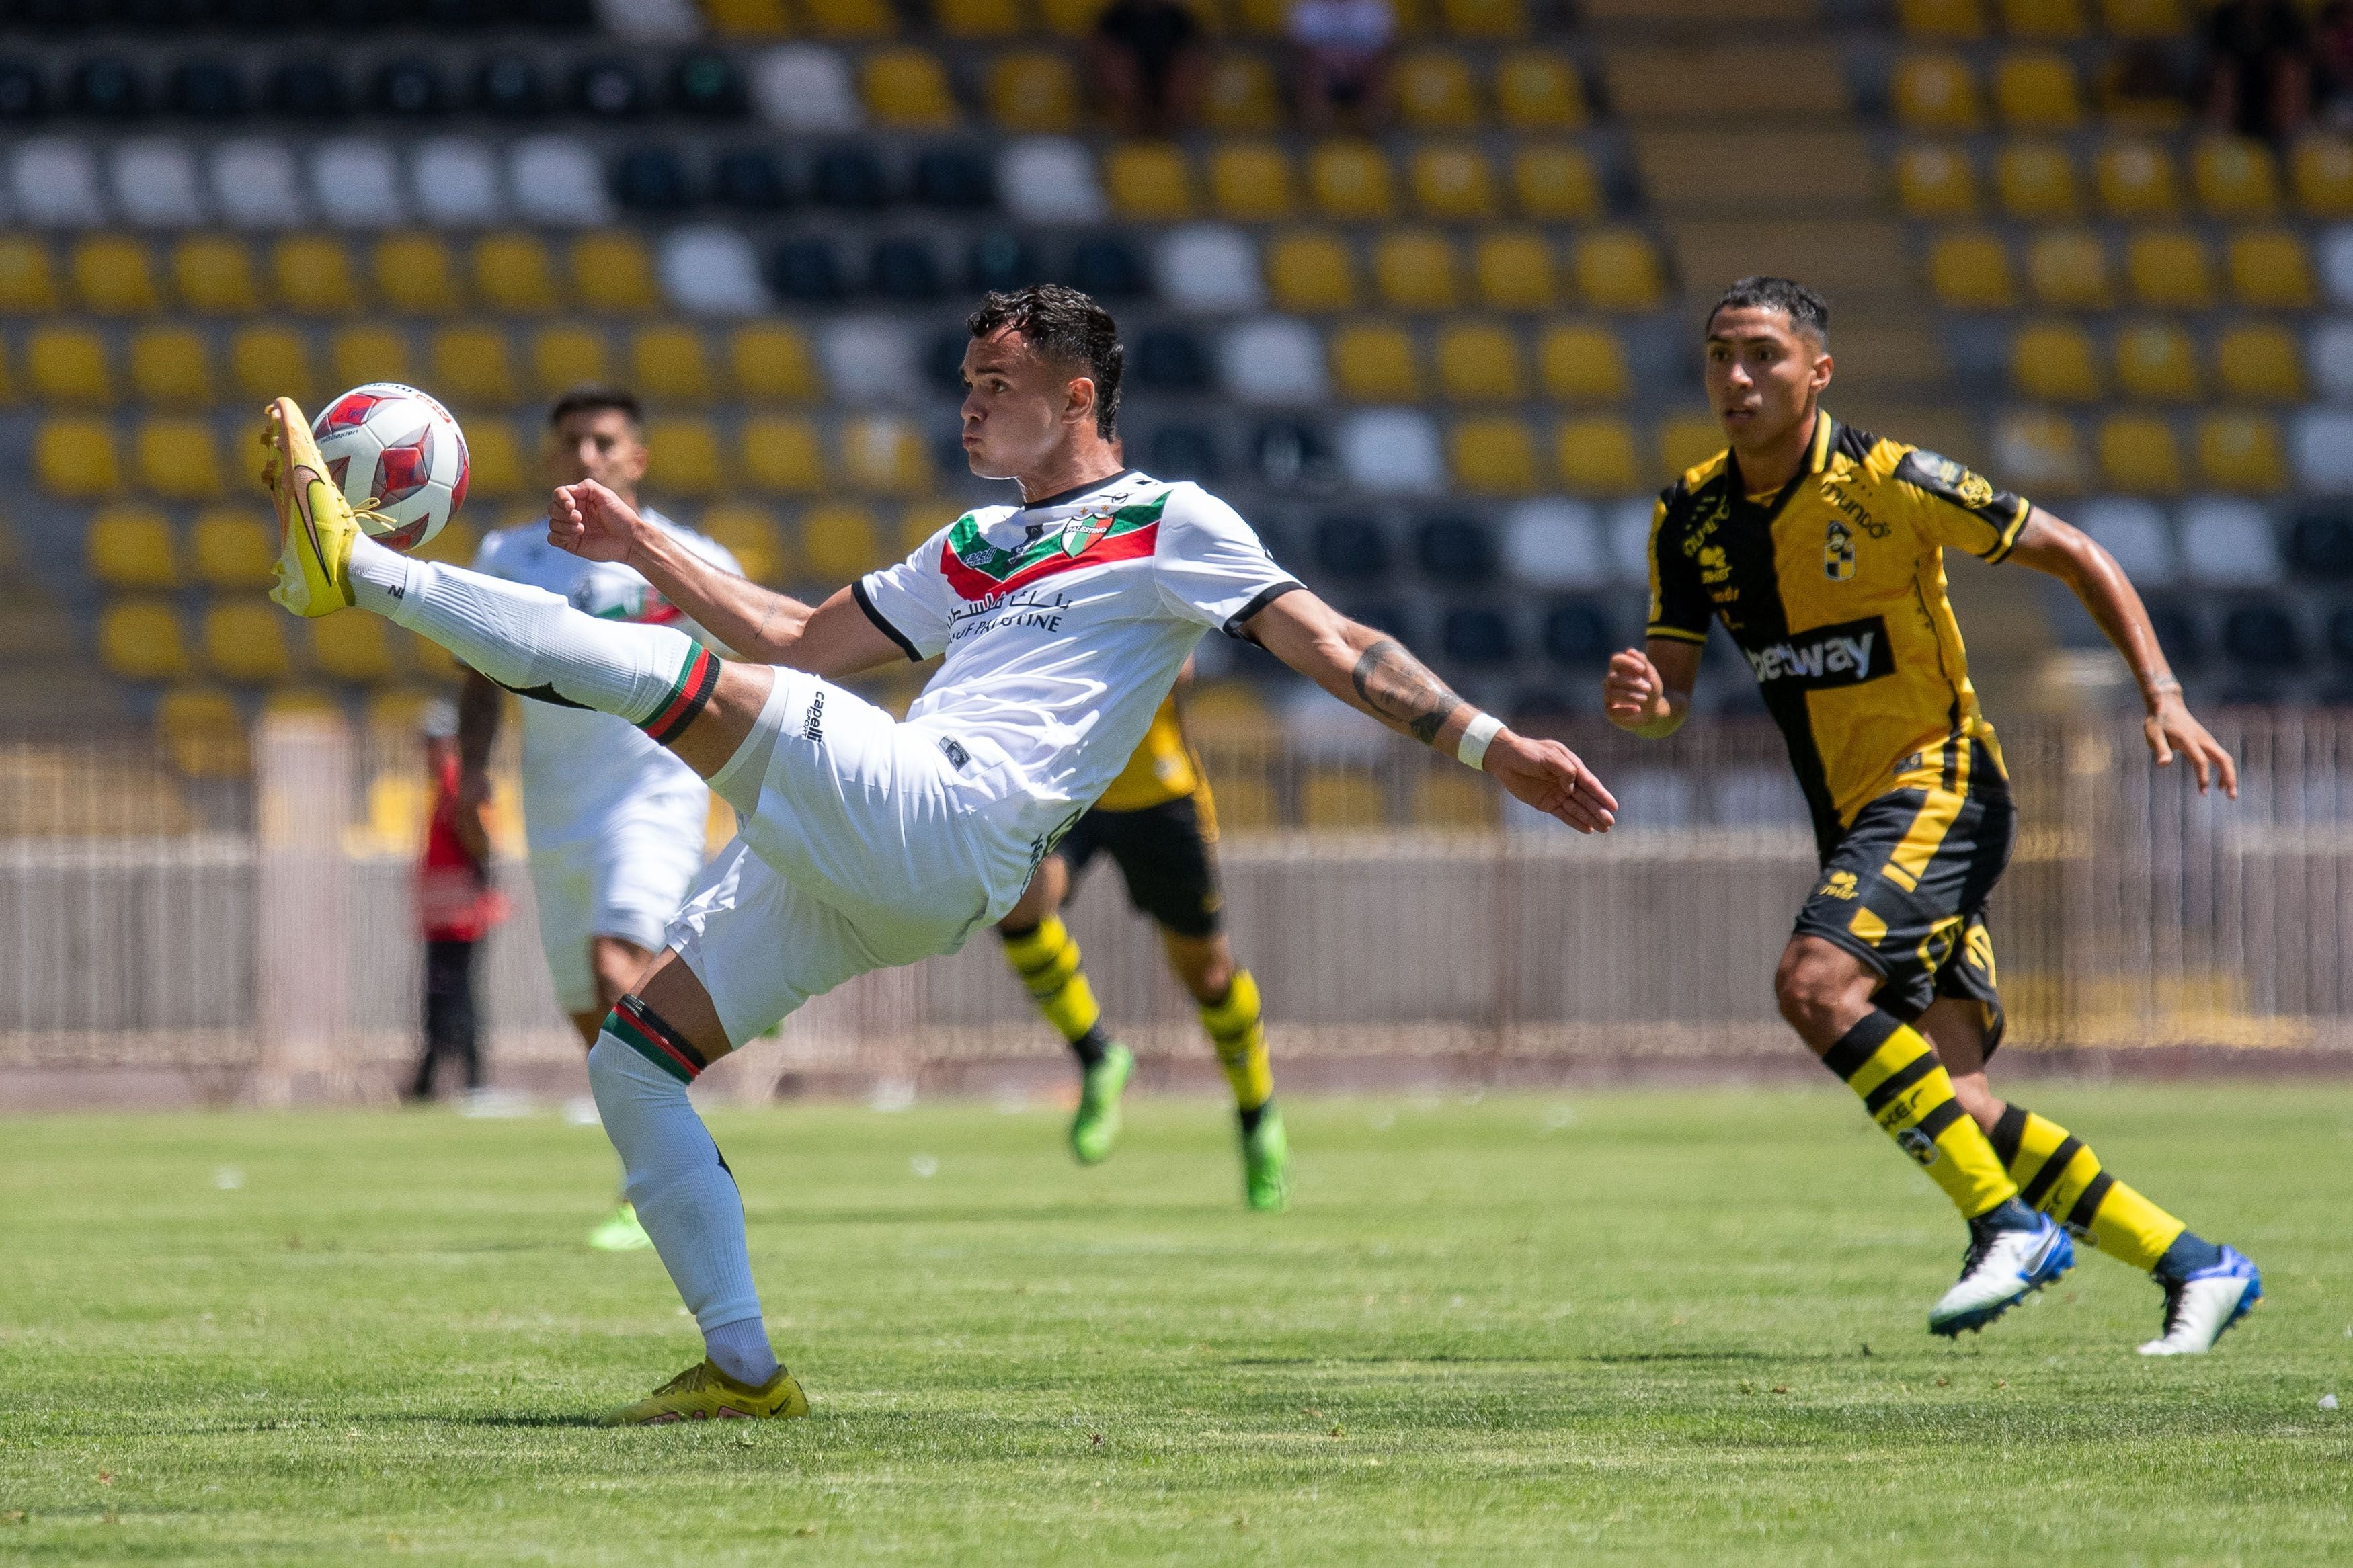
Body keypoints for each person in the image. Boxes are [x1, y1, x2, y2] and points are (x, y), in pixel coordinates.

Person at [260, 283, 1616, 1422]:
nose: (968, 403)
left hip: (954, 811)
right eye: (966, 379)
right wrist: (638, 540)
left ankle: (363, 573)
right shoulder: (978, 542)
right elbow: (795, 633)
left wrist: (1492, 746)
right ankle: (743, 1368)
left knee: (677, 682)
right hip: (891, 864)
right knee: (634, 1056)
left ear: (1078, 397)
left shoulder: (1170, 519)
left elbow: (1334, 642)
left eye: (996, 381)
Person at [1602, 276, 2262, 1357]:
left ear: (1817, 372)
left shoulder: (1894, 480)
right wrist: (1646, 706)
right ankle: (2197, 1263)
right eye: (1720, 354)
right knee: (1963, 1099)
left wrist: (2164, 694)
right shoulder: (1690, 517)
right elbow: (1671, 693)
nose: (1736, 377)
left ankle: (2007, 1227)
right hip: (1860, 820)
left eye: (1763, 354)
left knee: (1814, 985)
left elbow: (2076, 552)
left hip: (1944, 787)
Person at [461, 386, 744, 1253]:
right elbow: (475, 675)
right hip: (554, 801)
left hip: (653, 792)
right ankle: (654, 1172)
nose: (588, 455)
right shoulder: (508, 555)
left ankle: (693, 1171)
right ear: (552, 458)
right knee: (587, 1004)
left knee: (613, 960)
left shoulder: (691, 559)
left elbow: (754, 678)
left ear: (637, 459)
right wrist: (469, 773)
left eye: (605, 441)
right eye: (572, 442)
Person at [995, 666, 1290, 1210]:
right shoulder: (1050, 581)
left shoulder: (1153, 582)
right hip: (1072, 791)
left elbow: (1179, 665)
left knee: (1209, 975)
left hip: (1158, 796)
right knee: (1015, 904)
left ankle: (1257, 1114)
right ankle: (1098, 1056)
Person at [407, 700, 506, 1102]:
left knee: (454, 996)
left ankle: (463, 1081)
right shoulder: (444, 784)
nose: (430, 750)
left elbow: (477, 841)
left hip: (459, 916)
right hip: (448, 915)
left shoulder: (453, 783)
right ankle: (444, 1082)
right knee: (450, 995)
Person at [1088, 0, 1207, 135]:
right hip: (1126, 105)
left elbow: (1193, 59)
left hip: (1171, 105)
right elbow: (1102, 55)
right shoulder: (1114, 18)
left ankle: (1167, 124)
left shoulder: (1179, 19)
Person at [2204, 0, 2313, 142]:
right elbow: (2219, 68)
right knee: (2225, 73)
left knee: (2287, 70)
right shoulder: (2225, 18)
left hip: (2271, 101)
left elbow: (2295, 70)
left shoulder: (2285, 19)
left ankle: (2286, 132)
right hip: (2238, 98)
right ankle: (2222, 133)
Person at [1285, 0, 1394, 130]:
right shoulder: (1306, 8)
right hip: (1322, 71)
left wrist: (1353, 63)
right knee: (1310, 70)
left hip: (1362, 70)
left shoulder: (1374, 8)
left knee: (1378, 71)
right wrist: (1333, 62)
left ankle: (1372, 129)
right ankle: (1318, 129)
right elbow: (1299, 51)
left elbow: (1383, 51)